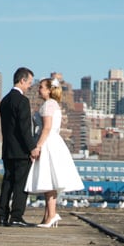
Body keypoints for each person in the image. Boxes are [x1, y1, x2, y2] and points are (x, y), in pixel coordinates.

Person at [25, 77, 84, 228]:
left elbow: (46, 128)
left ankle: (51, 215)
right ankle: (48, 216)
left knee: (48, 180)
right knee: (49, 180)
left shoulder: (48, 105)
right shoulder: (54, 104)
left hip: (48, 142)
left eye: (41, 87)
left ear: (49, 90)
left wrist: (37, 146)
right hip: (55, 142)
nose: (38, 89)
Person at [0, 67, 41, 227]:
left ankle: (2, 216)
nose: (30, 86)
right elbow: (24, 129)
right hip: (21, 151)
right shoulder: (22, 101)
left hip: (7, 149)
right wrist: (32, 148)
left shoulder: (5, 101)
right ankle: (16, 216)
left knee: (7, 182)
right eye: (29, 82)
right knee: (21, 184)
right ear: (22, 81)